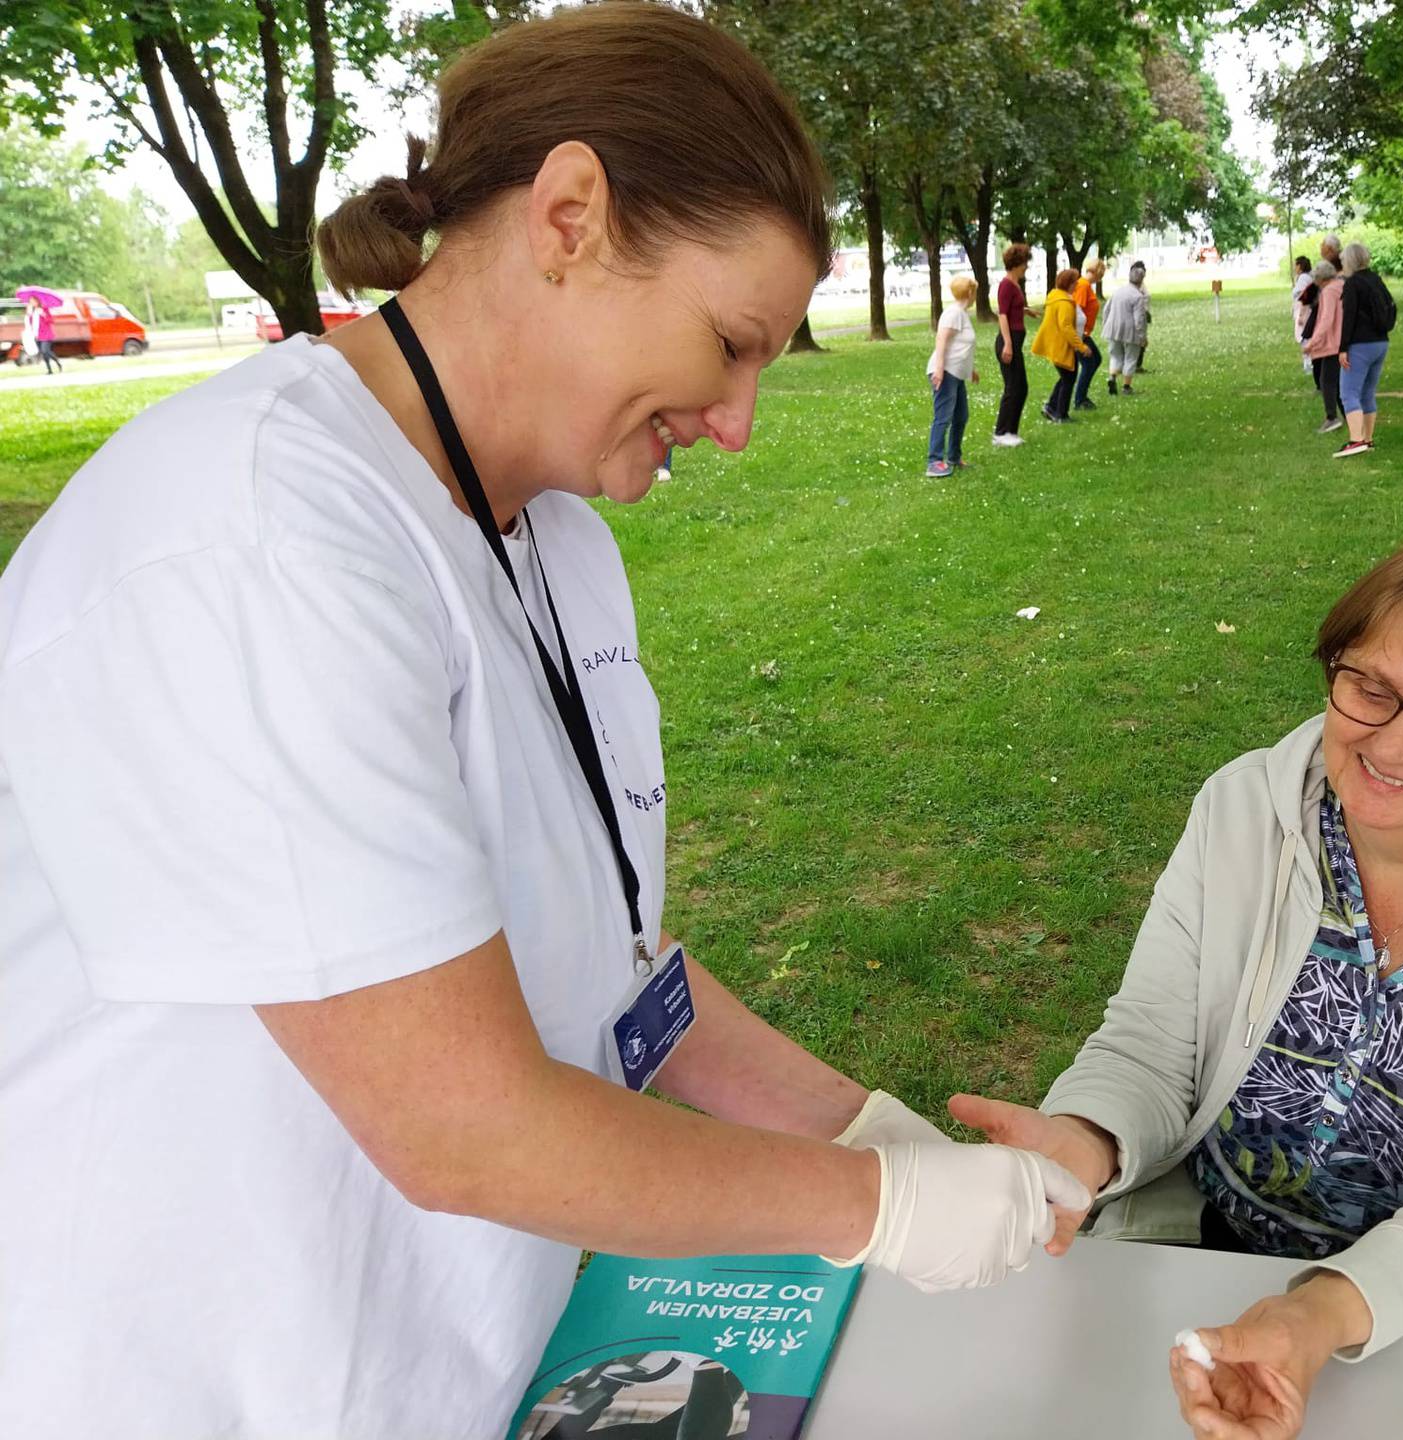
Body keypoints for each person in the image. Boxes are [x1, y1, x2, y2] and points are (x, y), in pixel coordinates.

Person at [0, 8, 1087, 1436]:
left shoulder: (554, 538)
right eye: (729, 341)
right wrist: (879, 1207)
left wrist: (856, 1122)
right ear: (570, 215)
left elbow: (616, 966)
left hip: (437, 1365)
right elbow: (464, 1125)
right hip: (199, 1381)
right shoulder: (263, 531)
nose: (742, 418)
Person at [950, 526, 1403, 1440]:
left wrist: (1318, 1313)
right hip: (1204, 1262)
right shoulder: (1245, 807)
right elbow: (1152, 1044)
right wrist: (1083, 1141)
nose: (1392, 746)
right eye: (1371, 688)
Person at [1336, 241, 1395, 458]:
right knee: (1367, 392)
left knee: (1349, 392)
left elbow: (1348, 317)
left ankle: (1356, 439)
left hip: (1360, 344)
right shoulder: (1375, 280)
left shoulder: (1353, 284)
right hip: (1380, 342)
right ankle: (1368, 439)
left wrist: (1343, 348)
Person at [926, 274, 979, 477]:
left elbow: (961, 345)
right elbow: (942, 340)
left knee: (961, 416)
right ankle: (934, 461)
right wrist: (939, 369)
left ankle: (954, 457)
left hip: (956, 373)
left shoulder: (962, 314)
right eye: (974, 292)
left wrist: (970, 370)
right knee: (943, 416)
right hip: (946, 372)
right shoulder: (954, 313)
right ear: (969, 292)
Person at [992, 242, 1040, 447]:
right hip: (1008, 340)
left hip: (1015, 340)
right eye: (1024, 263)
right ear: (1016, 263)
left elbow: (1012, 308)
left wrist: (1026, 310)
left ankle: (1011, 431)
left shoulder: (1014, 284)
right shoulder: (1006, 284)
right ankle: (1001, 433)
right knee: (1013, 387)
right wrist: (1008, 345)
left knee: (1022, 387)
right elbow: (1002, 315)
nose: (1026, 267)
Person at [1034, 266, 1089, 424]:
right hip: (1061, 345)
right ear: (1069, 284)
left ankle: (1051, 407)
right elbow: (1066, 327)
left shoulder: (1055, 297)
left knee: (1066, 377)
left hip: (1055, 344)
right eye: (1075, 282)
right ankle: (1061, 414)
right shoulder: (1064, 302)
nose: (1077, 285)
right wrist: (1082, 347)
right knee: (1069, 377)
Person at [1302, 260, 1344, 434]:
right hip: (1343, 340)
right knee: (1339, 383)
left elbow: (1326, 319)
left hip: (1332, 343)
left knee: (1327, 381)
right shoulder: (1342, 285)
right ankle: (1348, 416)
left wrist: (1312, 342)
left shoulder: (1328, 292)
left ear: (1320, 278)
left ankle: (1331, 417)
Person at [1101, 261, 1150, 396]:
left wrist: (1106, 325)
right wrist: (1142, 338)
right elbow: (1139, 320)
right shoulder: (1138, 296)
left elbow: (1106, 310)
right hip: (1130, 331)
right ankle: (1126, 386)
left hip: (1113, 328)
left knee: (1115, 355)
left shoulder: (1118, 291)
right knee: (1130, 358)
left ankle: (1112, 377)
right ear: (1141, 280)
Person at [1070, 259, 1106, 412]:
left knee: (1095, 360)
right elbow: (1076, 310)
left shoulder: (1086, 286)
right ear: (1099, 272)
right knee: (1090, 363)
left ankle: (1081, 397)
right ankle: (1080, 399)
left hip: (1084, 332)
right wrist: (1080, 337)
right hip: (1080, 333)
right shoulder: (1083, 286)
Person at [1290, 256, 1314, 375]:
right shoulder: (1306, 277)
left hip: (1303, 311)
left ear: (1300, 266)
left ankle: (1308, 363)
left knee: (1304, 336)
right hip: (1303, 310)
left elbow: (1303, 296)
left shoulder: (1304, 278)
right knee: (1305, 336)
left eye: (1296, 265)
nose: (1295, 268)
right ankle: (1308, 362)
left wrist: (1301, 315)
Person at [26, 297, 61, 374]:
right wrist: (29, 315)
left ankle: (57, 363)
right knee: (44, 352)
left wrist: (43, 314)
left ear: (37, 301)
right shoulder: (32, 311)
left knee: (45, 351)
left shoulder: (44, 309)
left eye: (33, 301)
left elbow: (51, 320)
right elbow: (31, 323)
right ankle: (50, 370)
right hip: (37, 334)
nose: (32, 303)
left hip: (46, 334)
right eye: (30, 302)